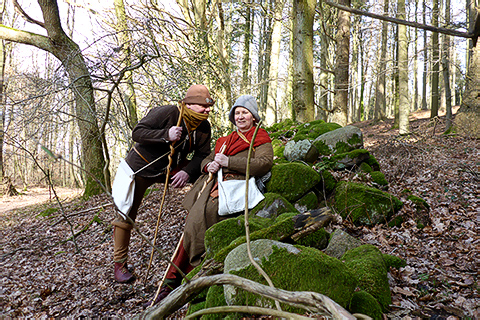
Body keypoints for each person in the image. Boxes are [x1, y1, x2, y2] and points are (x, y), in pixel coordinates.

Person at [148, 94, 273, 305]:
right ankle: (172, 281)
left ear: (253, 116)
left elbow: (264, 163)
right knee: (192, 223)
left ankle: (180, 278)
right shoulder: (225, 140)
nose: (241, 117)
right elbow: (207, 159)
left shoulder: (260, 138)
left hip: (235, 188)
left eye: (245, 112)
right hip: (211, 186)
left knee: (199, 221)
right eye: (237, 113)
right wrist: (210, 165)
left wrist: (229, 162)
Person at [112, 84, 215, 283]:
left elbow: (202, 155)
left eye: (209, 106)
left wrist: (187, 171)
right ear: (190, 104)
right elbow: (138, 132)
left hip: (170, 168)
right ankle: (119, 265)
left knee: (206, 174)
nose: (208, 110)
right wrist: (165, 135)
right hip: (140, 168)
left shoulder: (204, 126)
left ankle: (201, 226)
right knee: (125, 213)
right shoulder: (168, 112)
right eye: (204, 106)